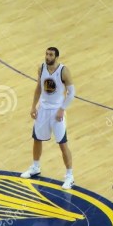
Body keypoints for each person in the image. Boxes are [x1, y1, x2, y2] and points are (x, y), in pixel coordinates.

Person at [20, 47, 75, 190]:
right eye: (46, 54)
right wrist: (33, 106)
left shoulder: (64, 71)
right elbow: (39, 87)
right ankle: (35, 167)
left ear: (56, 57)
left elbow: (71, 93)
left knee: (63, 144)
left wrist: (62, 109)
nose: (47, 56)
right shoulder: (41, 68)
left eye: (50, 55)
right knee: (37, 139)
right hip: (43, 110)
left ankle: (69, 176)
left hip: (57, 111)